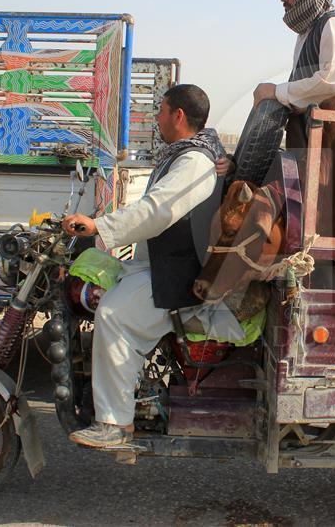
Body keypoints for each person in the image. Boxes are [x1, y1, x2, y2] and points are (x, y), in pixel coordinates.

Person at [61, 84, 225, 448]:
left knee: (113, 315)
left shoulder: (193, 161)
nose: (157, 118)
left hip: (176, 276)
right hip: (158, 265)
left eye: (161, 110)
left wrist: (100, 226)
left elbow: (157, 210)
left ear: (178, 115)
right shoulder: (183, 155)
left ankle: (115, 424)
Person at [217, 0, 335, 185]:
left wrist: (278, 92)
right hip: (312, 134)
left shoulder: (333, 24)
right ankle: (238, 176)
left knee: (271, 102)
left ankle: (242, 184)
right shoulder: (306, 34)